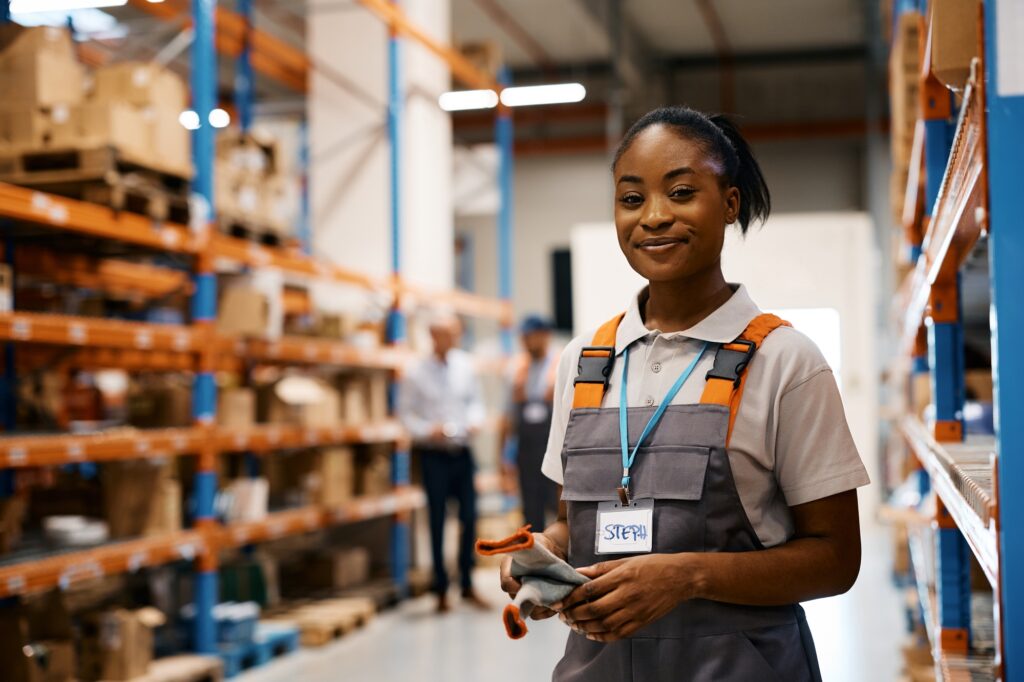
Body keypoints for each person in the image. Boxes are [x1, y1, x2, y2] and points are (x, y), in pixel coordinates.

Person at [498, 106, 869, 681]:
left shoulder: (785, 362)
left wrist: (687, 576)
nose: (653, 217)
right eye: (631, 199)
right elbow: (579, 525)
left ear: (729, 205)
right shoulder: (583, 363)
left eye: (680, 192)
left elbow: (836, 559)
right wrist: (546, 554)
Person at [398, 314, 490, 613]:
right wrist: (428, 430)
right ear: (431, 335)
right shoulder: (415, 372)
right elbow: (406, 416)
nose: (448, 340)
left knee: (470, 517)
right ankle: (440, 588)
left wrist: (475, 422)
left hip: (462, 452)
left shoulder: (465, 366)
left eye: (453, 334)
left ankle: (466, 583)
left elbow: (476, 403)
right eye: (442, 334)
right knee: (437, 520)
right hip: (434, 455)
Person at [502, 315, 560, 531]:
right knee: (530, 511)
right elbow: (508, 418)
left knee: (558, 507)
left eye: (531, 336)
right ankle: (534, 559)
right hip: (527, 452)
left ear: (545, 336)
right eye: (524, 337)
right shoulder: (516, 369)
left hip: (553, 447)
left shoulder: (561, 364)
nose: (526, 342)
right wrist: (504, 457)